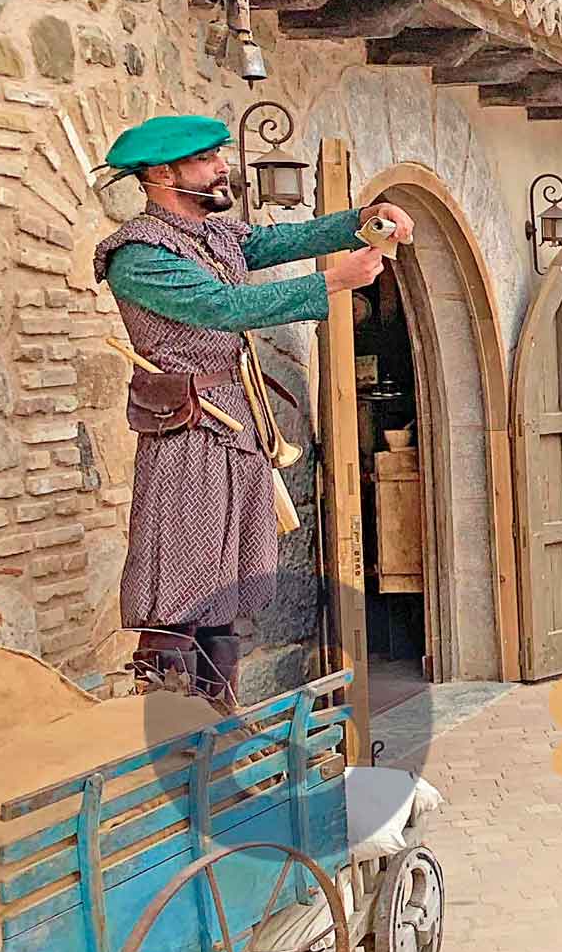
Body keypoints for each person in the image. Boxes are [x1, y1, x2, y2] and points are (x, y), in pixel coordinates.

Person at [94, 114, 416, 699]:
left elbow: (278, 241)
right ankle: (169, 735)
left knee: (228, 587)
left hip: (236, 423)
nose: (223, 168)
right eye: (208, 160)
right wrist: (332, 285)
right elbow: (221, 307)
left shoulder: (214, 235)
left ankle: (219, 728)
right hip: (186, 433)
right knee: (177, 584)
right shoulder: (138, 254)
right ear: (165, 173)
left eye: (220, 154)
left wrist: (366, 221)